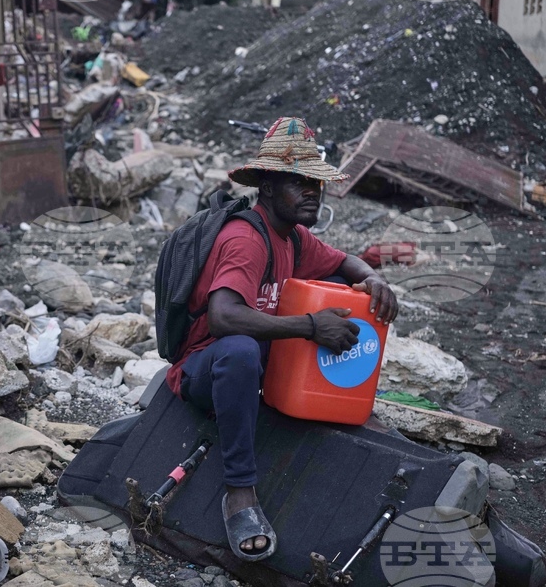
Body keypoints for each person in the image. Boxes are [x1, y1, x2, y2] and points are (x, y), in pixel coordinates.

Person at [166, 116, 399, 562]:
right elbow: (223, 317)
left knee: (333, 282)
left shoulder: (293, 237)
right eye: (299, 182)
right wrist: (312, 326)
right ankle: (239, 492)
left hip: (253, 361)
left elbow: (345, 261)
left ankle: (331, 402)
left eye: (317, 183)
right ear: (268, 188)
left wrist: (373, 279)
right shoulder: (246, 240)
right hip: (203, 369)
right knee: (239, 348)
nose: (313, 192)